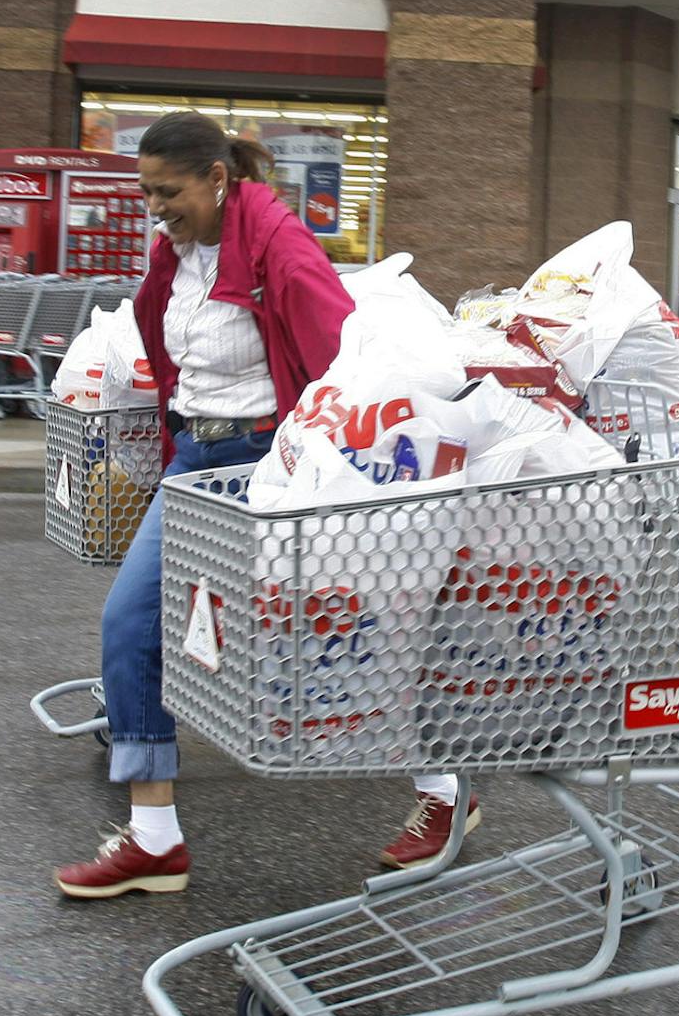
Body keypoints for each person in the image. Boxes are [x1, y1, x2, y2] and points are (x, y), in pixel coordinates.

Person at [54, 111, 477, 898]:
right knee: (130, 623)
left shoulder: (278, 242)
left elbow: (340, 357)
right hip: (196, 458)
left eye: (168, 191)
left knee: (343, 633)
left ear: (218, 178)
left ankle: (446, 791)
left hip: (270, 460)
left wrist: (331, 472)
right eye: (147, 193)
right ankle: (154, 839)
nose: (157, 207)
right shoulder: (174, 251)